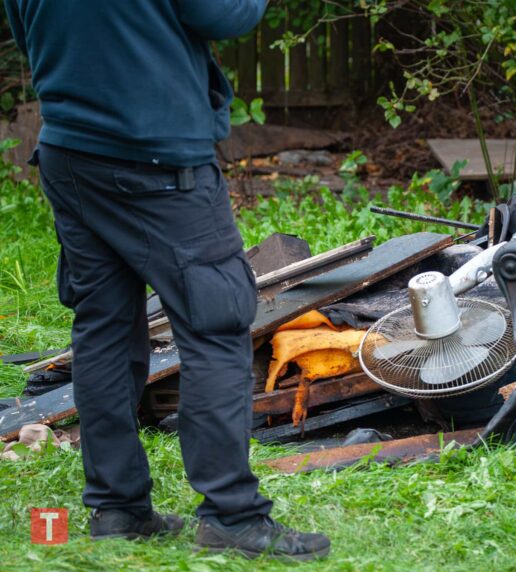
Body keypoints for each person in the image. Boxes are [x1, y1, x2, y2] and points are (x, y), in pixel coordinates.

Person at [3, 0, 330, 562]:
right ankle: (232, 514)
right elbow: (226, 15)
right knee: (218, 321)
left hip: (69, 151)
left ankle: (118, 508)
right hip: (154, 155)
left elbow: (25, 28)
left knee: (104, 327)